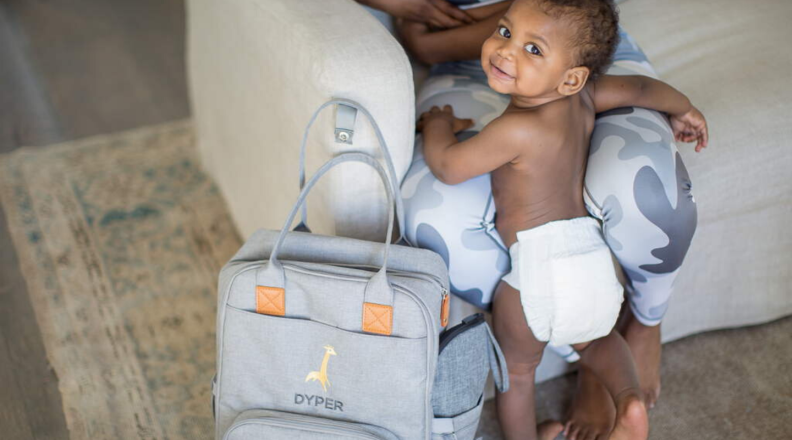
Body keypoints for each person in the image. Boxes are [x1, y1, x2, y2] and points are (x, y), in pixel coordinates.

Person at [398, 1, 700, 438]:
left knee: (517, 375)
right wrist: (684, 108)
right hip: (593, 264)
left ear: (570, 75)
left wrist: (438, 124)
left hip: (535, 273)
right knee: (599, 341)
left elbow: (448, 166)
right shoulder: (585, 96)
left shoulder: (514, 130)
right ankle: (628, 401)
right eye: (504, 32)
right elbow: (639, 88)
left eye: (533, 50)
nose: (506, 52)